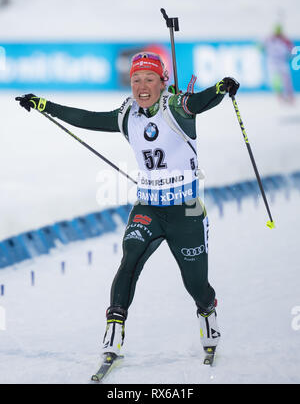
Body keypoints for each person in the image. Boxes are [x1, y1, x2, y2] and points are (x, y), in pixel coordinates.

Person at [15, 52, 239, 364]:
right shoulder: (127, 114)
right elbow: (87, 118)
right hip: (148, 207)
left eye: (149, 79)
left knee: (196, 284)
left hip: (185, 211)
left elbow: (199, 102)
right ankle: (114, 329)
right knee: (130, 256)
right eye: (136, 80)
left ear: (163, 82)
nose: (142, 86)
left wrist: (219, 89)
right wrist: (45, 105)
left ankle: (207, 311)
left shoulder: (176, 107)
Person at [262, 23, 294, 103]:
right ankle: (280, 97)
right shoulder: (269, 39)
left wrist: (289, 56)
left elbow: (291, 50)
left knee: (287, 80)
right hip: (272, 62)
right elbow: (260, 47)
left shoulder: (285, 40)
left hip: (282, 62)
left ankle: (290, 96)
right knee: (276, 80)